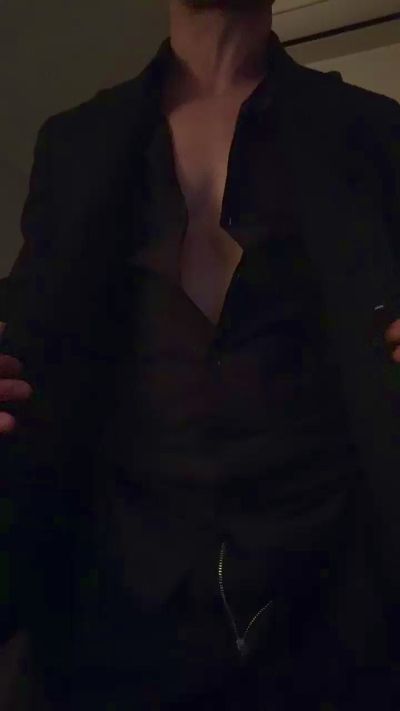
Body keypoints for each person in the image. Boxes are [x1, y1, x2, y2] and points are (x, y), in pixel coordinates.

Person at [0, 0, 400, 708]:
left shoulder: (371, 131)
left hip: (335, 612)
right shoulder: (76, 142)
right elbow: (33, 339)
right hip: (117, 618)